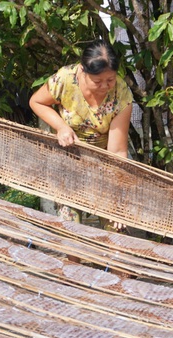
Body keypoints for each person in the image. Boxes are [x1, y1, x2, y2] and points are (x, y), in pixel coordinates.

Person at [29, 39, 133, 231]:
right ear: (83, 71)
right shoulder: (65, 79)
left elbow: (117, 152)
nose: (105, 86)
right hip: (68, 159)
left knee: (116, 226)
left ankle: (112, 260)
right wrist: (61, 127)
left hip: (104, 163)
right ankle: (73, 261)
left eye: (110, 80)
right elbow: (36, 102)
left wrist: (118, 199)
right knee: (70, 225)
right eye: (98, 81)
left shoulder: (122, 94)